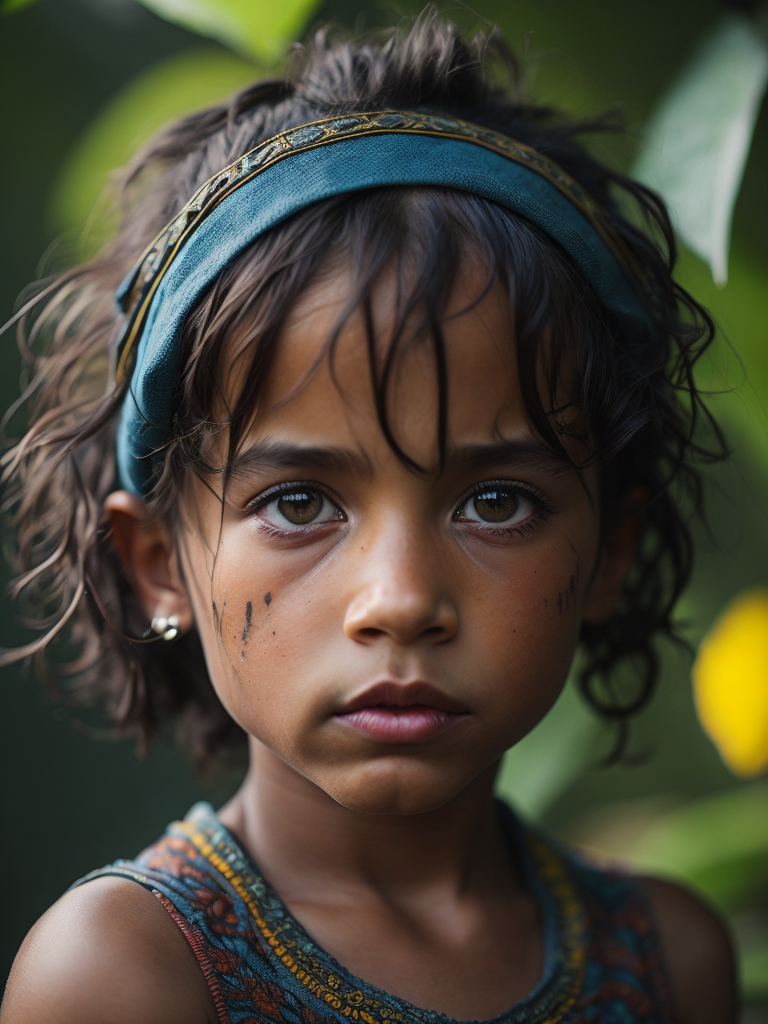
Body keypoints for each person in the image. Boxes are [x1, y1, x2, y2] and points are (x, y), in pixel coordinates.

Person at [0, 10, 737, 1024]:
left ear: (610, 551)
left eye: (495, 502)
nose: (399, 599)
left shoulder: (669, 963)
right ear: (160, 563)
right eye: (299, 502)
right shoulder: (125, 976)